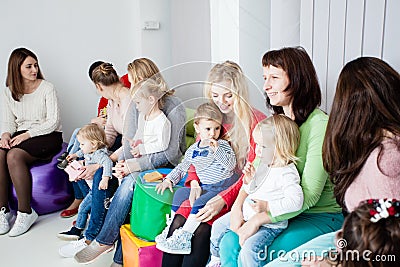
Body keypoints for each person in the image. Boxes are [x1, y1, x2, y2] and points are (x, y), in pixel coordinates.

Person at [266, 56, 400, 266]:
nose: (266, 86)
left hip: (361, 248)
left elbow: (385, 246)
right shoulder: (371, 145)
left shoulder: (386, 159)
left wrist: (334, 262)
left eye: (274, 77)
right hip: (350, 240)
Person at [218, 47, 344, 266]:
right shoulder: (276, 124)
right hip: (278, 213)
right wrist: (237, 208)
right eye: (265, 78)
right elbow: (255, 173)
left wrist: (258, 219)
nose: (266, 86)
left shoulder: (319, 126)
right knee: (229, 242)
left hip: (317, 215)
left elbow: (310, 195)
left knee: (258, 251)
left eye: (274, 78)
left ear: (297, 80)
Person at [73, 58, 187, 267]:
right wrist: (120, 163)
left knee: (129, 184)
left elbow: (172, 153)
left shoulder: (174, 106)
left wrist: (135, 166)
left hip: (166, 166)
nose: (131, 88)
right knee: (113, 176)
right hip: (139, 161)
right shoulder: (138, 102)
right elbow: (130, 140)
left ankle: (104, 241)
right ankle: (118, 255)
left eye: (135, 82)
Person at [158, 61, 266, 267]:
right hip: (207, 187)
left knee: (200, 228)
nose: (221, 103)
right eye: (215, 95)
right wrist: (194, 182)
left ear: (240, 93)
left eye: (228, 95)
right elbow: (196, 157)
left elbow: (250, 175)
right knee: (178, 223)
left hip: (237, 193)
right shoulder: (212, 120)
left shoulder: (255, 123)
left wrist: (222, 200)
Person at [208, 115, 302, 267]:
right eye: (257, 145)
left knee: (250, 249)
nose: (257, 151)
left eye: (263, 147)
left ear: (281, 147)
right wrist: (249, 181)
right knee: (217, 226)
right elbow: (253, 190)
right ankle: (215, 259)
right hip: (247, 214)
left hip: (269, 226)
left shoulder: (287, 173)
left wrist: (267, 206)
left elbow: (296, 202)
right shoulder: (263, 165)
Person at [155, 102, 237, 254]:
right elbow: (182, 167)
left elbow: (231, 165)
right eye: (208, 129)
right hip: (205, 186)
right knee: (180, 194)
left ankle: (184, 237)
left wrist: (217, 150)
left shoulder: (223, 145)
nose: (212, 133)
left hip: (221, 186)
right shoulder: (193, 150)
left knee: (199, 203)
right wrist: (169, 180)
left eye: (217, 128)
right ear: (197, 128)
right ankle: (170, 229)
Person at [0, 47, 62, 236]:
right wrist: (5, 135)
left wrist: (28, 135)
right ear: (16, 69)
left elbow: (53, 122)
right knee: (0, 152)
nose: (34, 70)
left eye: (35, 65)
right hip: (21, 134)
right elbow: (9, 122)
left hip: (47, 135)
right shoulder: (9, 92)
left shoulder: (47, 88)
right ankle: (3, 210)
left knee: (14, 155)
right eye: (29, 66)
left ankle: (25, 212)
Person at [58, 61, 131, 219]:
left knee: (97, 171)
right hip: (119, 145)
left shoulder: (127, 100)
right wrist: (95, 150)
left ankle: (93, 218)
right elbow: (110, 132)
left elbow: (129, 143)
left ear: (98, 86)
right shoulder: (112, 101)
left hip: (130, 149)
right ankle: (89, 208)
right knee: (83, 161)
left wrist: (101, 161)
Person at [58, 124, 114, 257]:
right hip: (90, 189)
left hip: (96, 190)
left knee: (84, 207)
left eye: (82, 144)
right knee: (83, 207)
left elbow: (107, 163)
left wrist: (105, 178)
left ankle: (80, 230)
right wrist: (74, 156)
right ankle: (78, 229)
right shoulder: (87, 151)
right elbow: (80, 153)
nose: (81, 147)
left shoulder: (99, 154)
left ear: (93, 144)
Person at [127, 78, 171, 159]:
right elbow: (139, 132)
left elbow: (162, 145)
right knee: (121, 166)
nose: (136, 107)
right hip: (141, 157)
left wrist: (141, 149)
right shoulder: (142, 116)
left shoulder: (161, 122)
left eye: (138, 103)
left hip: (153, 159)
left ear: (151, 100)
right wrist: (135, 141)